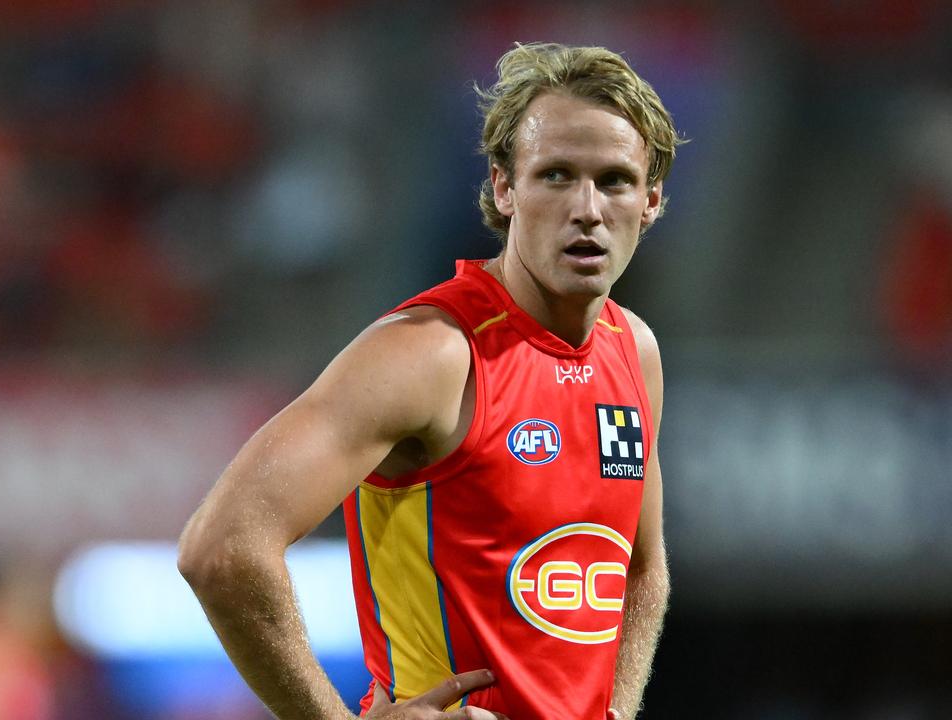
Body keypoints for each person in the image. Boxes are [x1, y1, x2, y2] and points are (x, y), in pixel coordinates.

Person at [179, 42, 681, 720]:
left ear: (650, 202)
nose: (588, 208)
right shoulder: (431, 354)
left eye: (615, 180)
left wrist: (617, 711)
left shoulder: (634, 350)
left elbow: (642, 571)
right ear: (505, 188)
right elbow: (223, 547)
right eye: (556, 175)